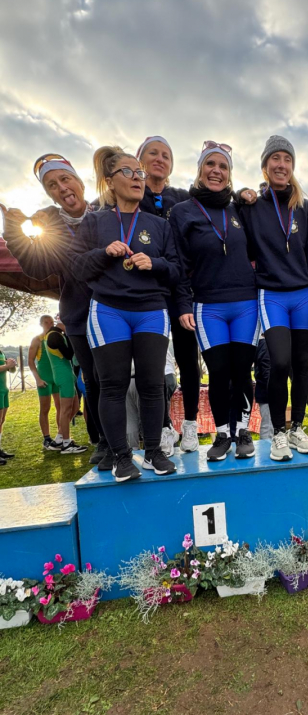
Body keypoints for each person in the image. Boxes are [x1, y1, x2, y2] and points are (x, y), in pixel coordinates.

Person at [71, 145, 181, 481]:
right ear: (110, 181)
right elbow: (77, 268)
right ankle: (121, 457)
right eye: (129, 172)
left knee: (153, 385)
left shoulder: (158, 225)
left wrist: (155, 263)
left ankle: (153, 452)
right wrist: (104, 253)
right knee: (112, 386)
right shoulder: (94, 221)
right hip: (109, 310)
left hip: (151, 310)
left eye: (140, 173)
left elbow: (176, 270)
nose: (137, 178)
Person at [1, 154, 108, 466]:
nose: (61, 187)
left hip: (115, 310)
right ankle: (103, 442)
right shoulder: (54, 228)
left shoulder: (105, 212)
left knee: (122, 378)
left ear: (80, 182)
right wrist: (14, 233)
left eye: (65, 179)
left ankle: (139, 438)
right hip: (79, 316)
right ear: (49, 194)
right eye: (52, 185)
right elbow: (36, 267)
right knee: (94, 382)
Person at [239, 135, 308, 461]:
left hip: (304, 295)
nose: (281, 165)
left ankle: (297, 429)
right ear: (265, 166)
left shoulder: (306, 208)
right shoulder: (252, 207)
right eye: (275, 159)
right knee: (279, 361)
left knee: (300, 364)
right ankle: (278, 432)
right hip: (272, 295)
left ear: (293, 166)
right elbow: (230, 215)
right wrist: (240, 193)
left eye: (287, 159)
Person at [171, 141, 258, 461]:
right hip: (208, 306)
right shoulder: (182, 211)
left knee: (242, 371)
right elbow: (178, 263)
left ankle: (243, 431)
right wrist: (183, 304)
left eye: (223, 166)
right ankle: (222, 434)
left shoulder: (239, 209)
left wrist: (248, 194)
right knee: (219, 372)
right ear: (199, 170)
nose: (216, 171)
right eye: (210, 164)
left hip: (246, 303)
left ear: (230, 174)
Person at [136, 135, 200, 454]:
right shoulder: (133, 195)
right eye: (153, 153)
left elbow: (213, 199)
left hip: (182, 291)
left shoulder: (183, 198)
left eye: (166, 155)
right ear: (140, 160)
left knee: (188, 360)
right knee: (154, 364)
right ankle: (164, 427)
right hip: (148, 291)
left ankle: (190, 424)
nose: (160, 159)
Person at [44, 320, 87, 453]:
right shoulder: (54, 335)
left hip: (67, 375)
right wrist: (69, 335)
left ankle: (59, 439)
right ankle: (67, 444)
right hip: (63, 376)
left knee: (75, 407)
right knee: (65, 410)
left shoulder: (56, 334)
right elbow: (68, 354)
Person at [28, 315, 62, 449]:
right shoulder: (37, 339)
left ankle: (61, 436)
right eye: (46, 322)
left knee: (61, 407)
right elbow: (30, 361)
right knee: (45, 408)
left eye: (51, 322)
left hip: (56, 376)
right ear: (41, 324)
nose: (49, 324)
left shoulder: (56, 337)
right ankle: (46, 438)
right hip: (44, 378)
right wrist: (38, 379)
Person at [0, 348, 16, 463]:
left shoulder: (1, 352)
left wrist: (12, 365)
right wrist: (7, 366)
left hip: (3, 390)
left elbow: (11, 370)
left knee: (1, 420)